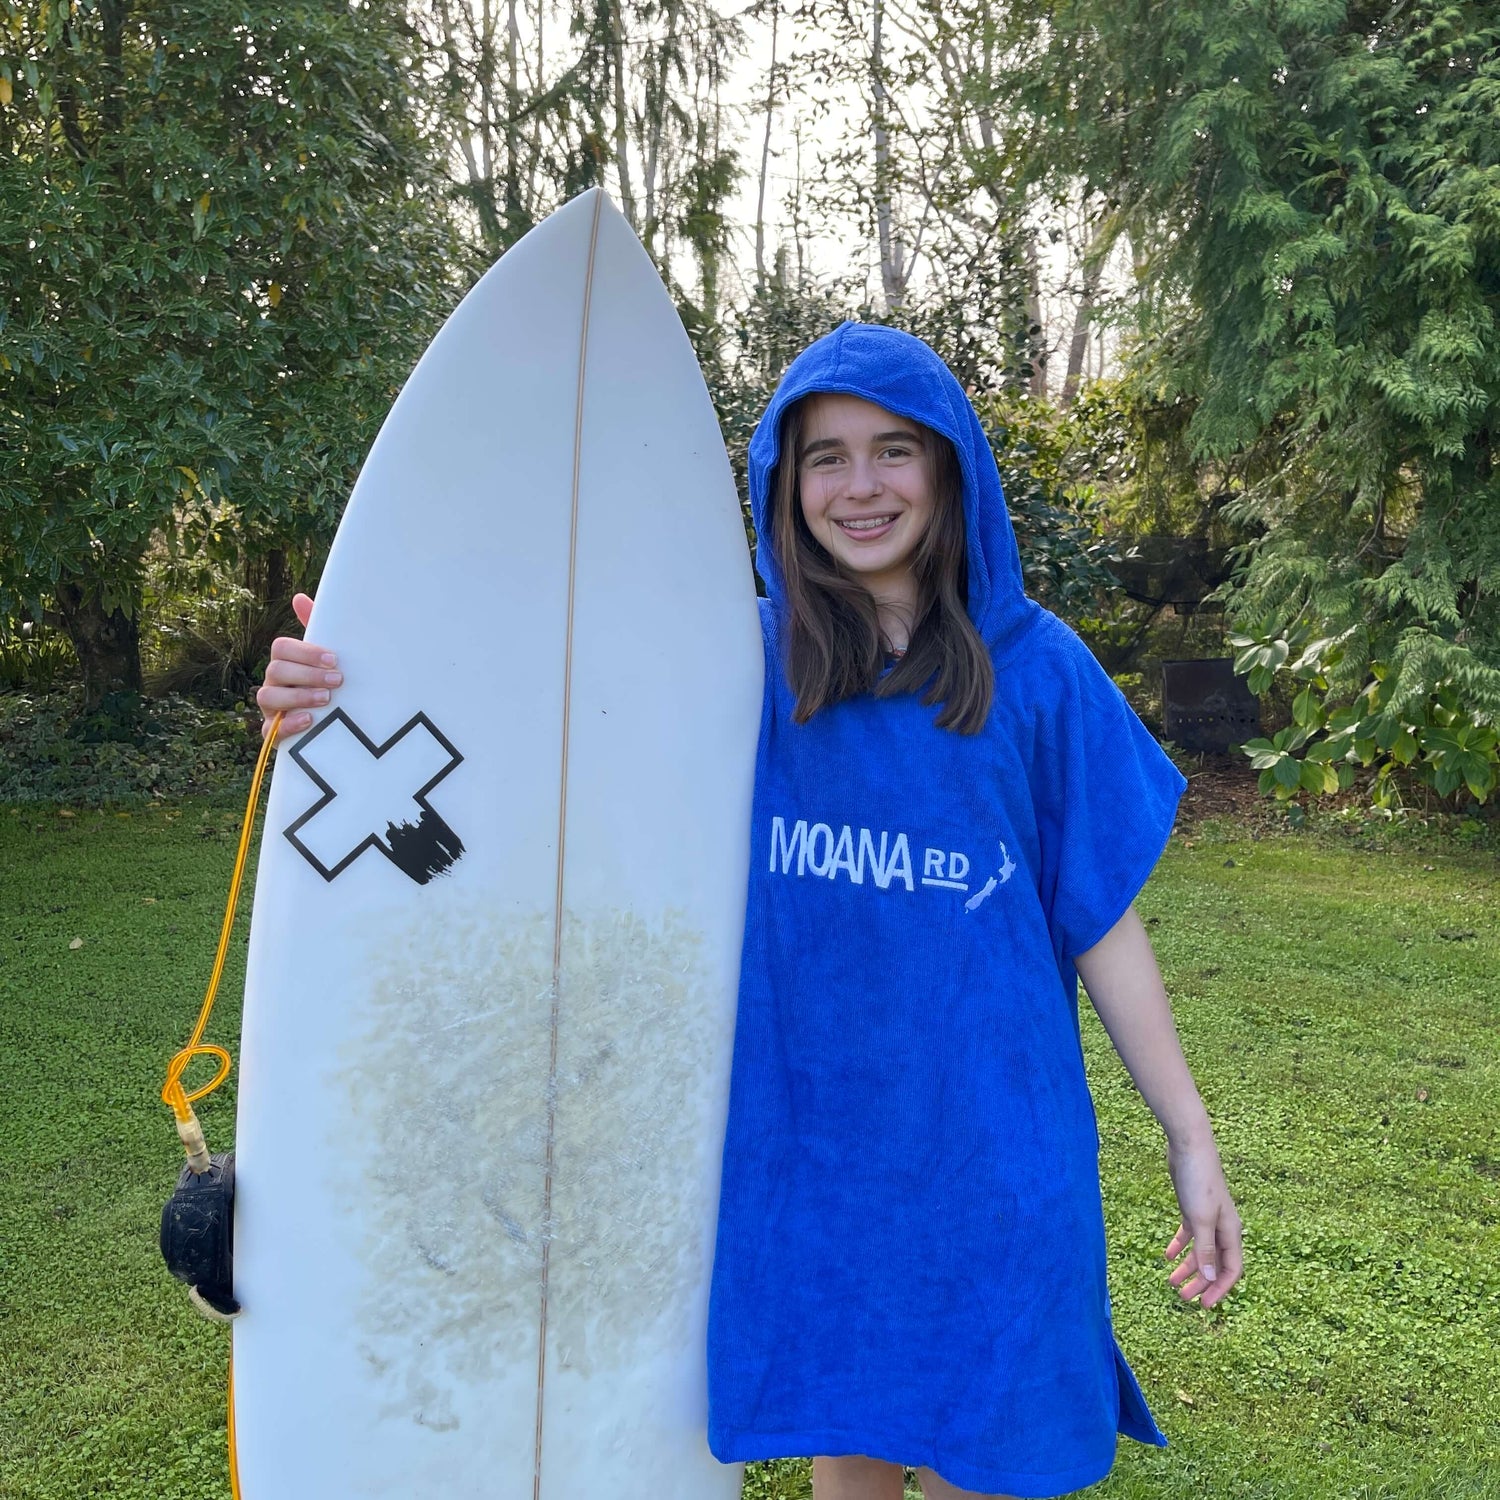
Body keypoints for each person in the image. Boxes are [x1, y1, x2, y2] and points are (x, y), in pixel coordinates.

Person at [257, 322, 1243, 1500]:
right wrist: (368, 671)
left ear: (950, 469)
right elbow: (544, 731)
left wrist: (1189, 1138)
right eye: (825, 456)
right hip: (815, 1168)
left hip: (994, 1173)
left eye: (893, 452)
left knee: (995, 1461)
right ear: (784, 477)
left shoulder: (1039, 672)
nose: (861, 486)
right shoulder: (734, 662)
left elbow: (1101, 922)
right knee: (853, 1452)